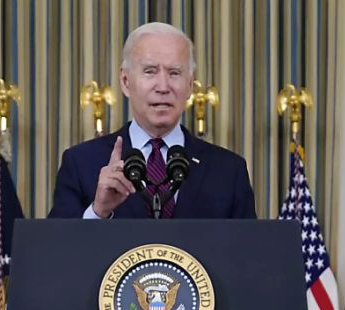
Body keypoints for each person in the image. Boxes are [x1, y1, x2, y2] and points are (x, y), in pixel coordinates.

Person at [48, 22, 256, 219]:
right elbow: (56, 250)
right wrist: (98, 211)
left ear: (190, 85)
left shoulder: (229, 171)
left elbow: (248, 253)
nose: (163, 86)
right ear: (125, 81)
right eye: (150, 72)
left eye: (174, 73)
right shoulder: (81, 163)